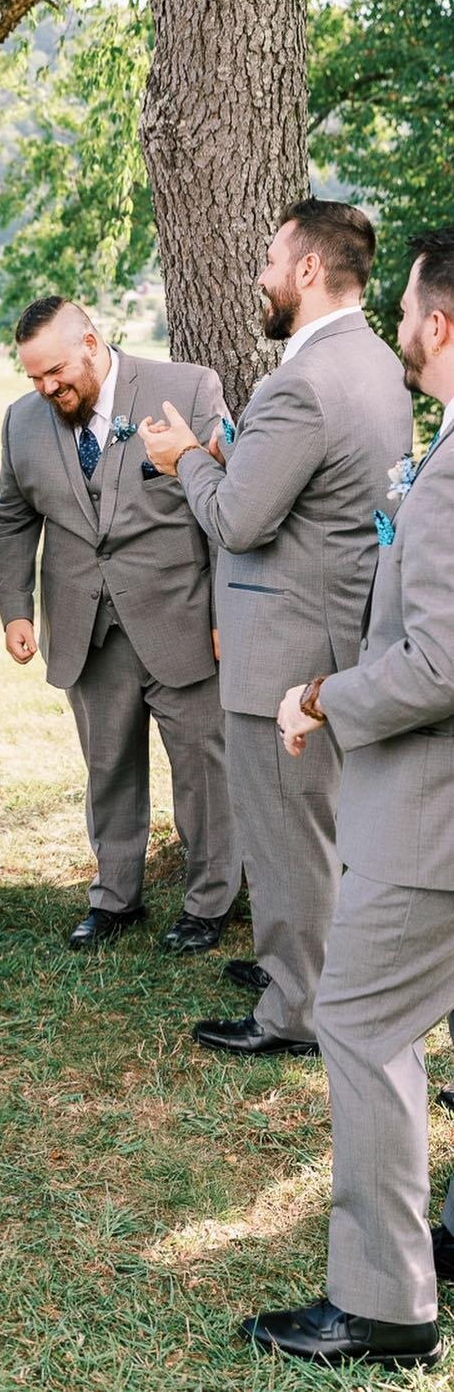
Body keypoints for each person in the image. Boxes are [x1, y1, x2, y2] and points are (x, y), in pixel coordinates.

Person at [243, 228, 454, 1369]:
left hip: (430, 812)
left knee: (361, 1026)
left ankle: (384, 1302)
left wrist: (323, 692)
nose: (403, 331)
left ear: (439, 321)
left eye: (412, 310)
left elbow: (439, 663)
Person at [140, 199, 412, 1056]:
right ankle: (296, 971)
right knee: (316, 832)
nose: (257, 275)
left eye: (267, 259)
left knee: (288, 841)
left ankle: (292, 1013)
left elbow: (239, 523)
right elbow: (311, 495)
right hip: (335, 629)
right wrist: (231, 457)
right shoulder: (372, 361)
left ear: (303, 269)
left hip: (285, 648)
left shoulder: (302, 380)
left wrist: (182, 456)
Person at [0, 298, 238, 953]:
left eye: (55, 372)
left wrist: (223, 615)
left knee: (202, 773)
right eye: (33, 377)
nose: (46, 388)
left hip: (182, 620)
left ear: (92, 343)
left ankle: (209, 902)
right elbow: (10, 517)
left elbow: (227, 505)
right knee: (107, 770)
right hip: (86, 628)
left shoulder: (185, 388)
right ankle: (114, 898)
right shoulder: (21, 422)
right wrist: (14, 606)